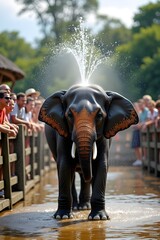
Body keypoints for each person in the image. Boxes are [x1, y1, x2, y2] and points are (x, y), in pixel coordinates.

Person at [132, 99, 149, 166]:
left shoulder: (144, 112)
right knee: (136, 145)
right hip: (138, 130)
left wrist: (139, 125)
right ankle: (139, 159)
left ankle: (141, 159)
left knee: (141, 145)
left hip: (142, 130)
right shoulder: (140, 113)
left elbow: (145, 120)